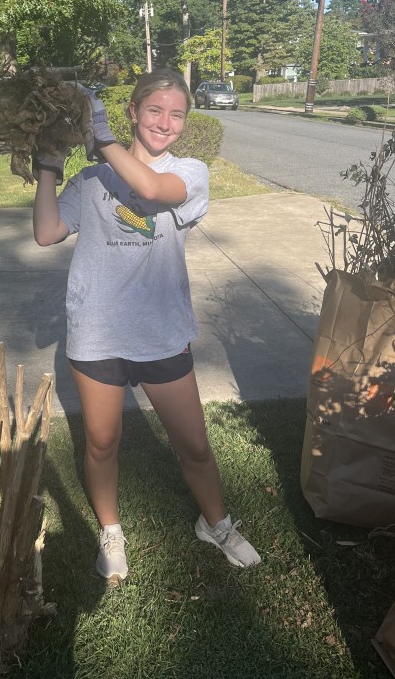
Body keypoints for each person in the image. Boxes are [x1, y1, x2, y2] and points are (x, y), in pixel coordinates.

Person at [32, 71, 260, 581]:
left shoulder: (190, 172)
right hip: (97, 333)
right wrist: (48, 166)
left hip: (160, 333)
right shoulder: (91, 180)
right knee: (101, 442)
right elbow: (47, 232)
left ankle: (216, 524)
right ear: (133, 112)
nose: (165, 122)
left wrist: (102, 139)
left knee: (194, 444)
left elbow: (153, 188)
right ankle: (111, 531)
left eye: (177, 114)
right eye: (154, 110)